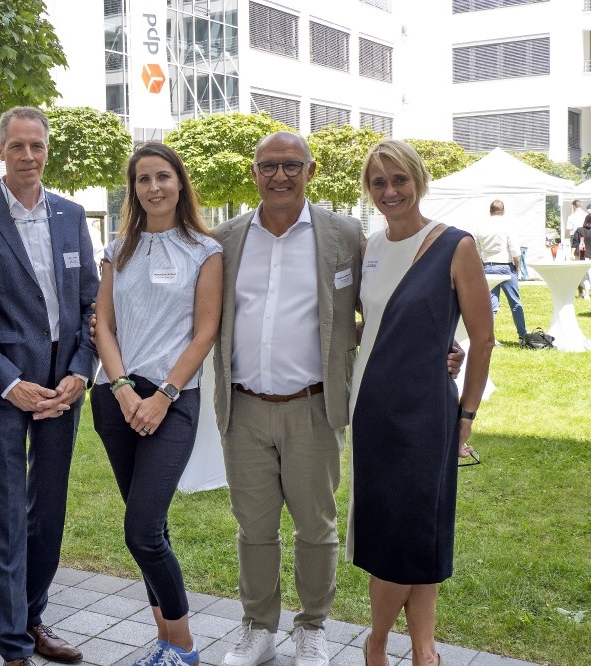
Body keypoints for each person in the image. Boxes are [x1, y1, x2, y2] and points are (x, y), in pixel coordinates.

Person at [0, 106, 99, 666]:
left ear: (46, 149)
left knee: (49, 513)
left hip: (63, 389)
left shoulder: (70, 213)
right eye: (17, 146)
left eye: (37, 145)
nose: (29, 156)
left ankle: (33, 616)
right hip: (3, 390)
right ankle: (11, 642)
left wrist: (79, 373)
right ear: (1, 150)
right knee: (8, 515)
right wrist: (7, 380)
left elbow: (90, 303)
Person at [212, 131, 361, 666]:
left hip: (314, 407)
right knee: (253, 527)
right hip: (244, 407)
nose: (280, 175)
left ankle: (313, 627)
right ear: (254, 172)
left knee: (316, 526)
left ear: (310, 171)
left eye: (291, 165)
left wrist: (440, 350)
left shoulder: (344, 234)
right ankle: (258, 627)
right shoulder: (225, 238)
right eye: (269, 165)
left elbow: (381, 302)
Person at [350, 139, 493, 666]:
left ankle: (406, 646)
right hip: (371, 408)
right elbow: (369, 325)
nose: (390, 191)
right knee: (396, 530)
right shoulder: (368, 249)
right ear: (369, 190)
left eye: (399, 180)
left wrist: (468, 414)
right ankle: (395, 644)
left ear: (418, 181)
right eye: (379, 182)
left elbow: (482, 338)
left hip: (429, 411)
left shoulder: (455, 245)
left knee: (420, 528)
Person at [90, 143, 222, 666]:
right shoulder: (116, 249)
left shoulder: (204, 250)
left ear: (180, 183)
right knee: (151, 530)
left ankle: (183, 646)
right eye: (143, 179)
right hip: (116, 399)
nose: (153, 188)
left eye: (163, 176)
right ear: (133, 188)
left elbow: (205, 331)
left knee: (142, 530)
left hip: (173, 401)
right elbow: (103, 324)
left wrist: (164, 395)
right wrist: (122, 389)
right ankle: (165, 640)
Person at [475, 200, 528, 344]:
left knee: (491, 306)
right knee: (515, 303)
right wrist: (517, 267)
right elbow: (515, 250)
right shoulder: (507, 225)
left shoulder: (481, 226)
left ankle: (489, 337)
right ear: (503, 211)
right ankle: (522, 335)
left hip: (488, 267)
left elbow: (477, 249)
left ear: (490, 210)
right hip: (506, 266)